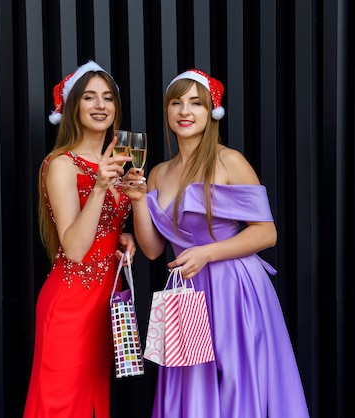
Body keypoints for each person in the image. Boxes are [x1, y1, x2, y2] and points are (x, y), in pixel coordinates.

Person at [123, 69, 310, 417]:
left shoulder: (229, 161)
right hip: (185, 293)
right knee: (191, 383)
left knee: (235, 381)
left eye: (196, 103)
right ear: (166, 111)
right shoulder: (159, 172)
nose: (185, 111)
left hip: (233, 288)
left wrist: (207, 253)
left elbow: (266, 233)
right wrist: (137, 200)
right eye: (176, 102)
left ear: (212, 112)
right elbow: (152, 250)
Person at [24, 60, 136, 418]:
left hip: (106, 305)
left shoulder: (119, 162)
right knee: (61, 406)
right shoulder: (60, 164)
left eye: (108, 97)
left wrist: (123, 236)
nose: (101, 105)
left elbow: (104, 227)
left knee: (91, 405)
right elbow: (73, 247)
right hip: (71, 304)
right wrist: (102, 186)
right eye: (89, 97)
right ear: (73, 107)